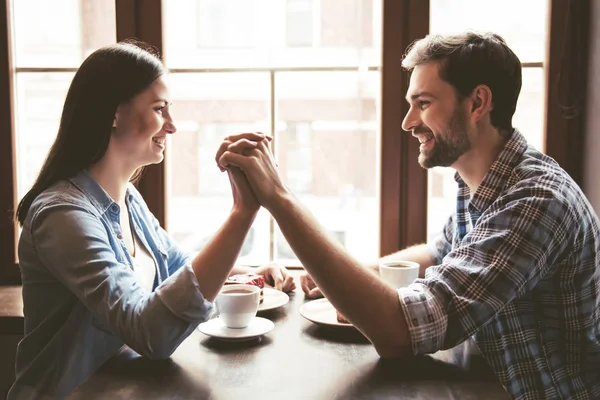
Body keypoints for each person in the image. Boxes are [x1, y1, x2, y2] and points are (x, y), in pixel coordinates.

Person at [216, 32, 600, 399]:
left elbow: (400, 333)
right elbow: (440, 254)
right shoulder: (486, 179)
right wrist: (343, 276)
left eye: (424, 103)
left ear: (478, 104)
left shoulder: (534, 201)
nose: (408, 122)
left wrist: (280, 199)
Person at [8, 41, 293, 399]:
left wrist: (250, 276)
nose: (171, 126)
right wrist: (242, 214)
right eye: (160, 109)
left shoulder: (128, 198)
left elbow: (181, 272)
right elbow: (149, 332)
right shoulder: (62, 216)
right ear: (113, 113)